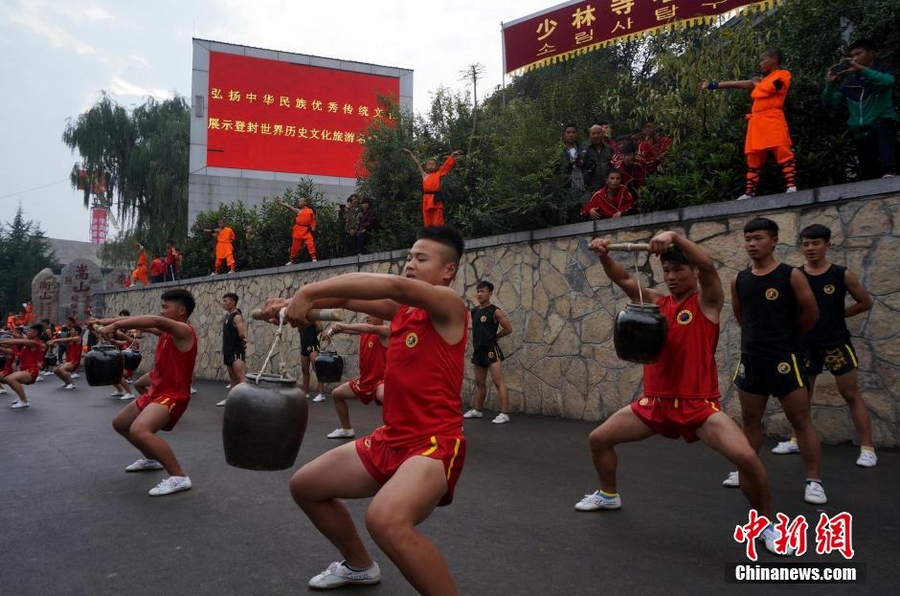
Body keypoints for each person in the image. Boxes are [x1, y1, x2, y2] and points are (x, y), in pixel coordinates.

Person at [259, 225, 468, 593]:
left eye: (421, 258)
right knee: (306, 486)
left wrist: (308, 291)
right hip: (391, 440)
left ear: (448, 270)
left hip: (433, 445)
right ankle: (358, 565)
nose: (410, 264)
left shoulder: (449, 306)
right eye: (408, 257)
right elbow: (349, 301)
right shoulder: (402, 312)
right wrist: (289, 305)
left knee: (385, 520)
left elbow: (392, 287)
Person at [576, 232, 785, 555]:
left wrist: (675, 236)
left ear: (693, 274)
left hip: (697, 406)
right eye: (667, 272)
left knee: (747, 458)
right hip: (654, 403)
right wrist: (604, 255)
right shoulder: (657, 303)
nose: (672, 278)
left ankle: (765, 525)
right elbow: (624, 280)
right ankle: (608, 494)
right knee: (598, 439)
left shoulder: (707, 302)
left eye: (679, 271)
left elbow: (709, 266)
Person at [723, 217, 826, 505]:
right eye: (748, 239)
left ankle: (814, 480)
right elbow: (742, 316)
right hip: (752, 359)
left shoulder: (790, 275)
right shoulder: (739, 279)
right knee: (750, 420)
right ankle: (746, 469)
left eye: (758, 238)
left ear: (774, 240)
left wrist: (787, 340)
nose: (752, 244)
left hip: (785, 358)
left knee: (801, 420)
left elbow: (811, 313)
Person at [771, 224, 877, 467]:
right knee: (802, 397)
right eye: (806, 243)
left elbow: (864, 302)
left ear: (828, 245)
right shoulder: (795, 275)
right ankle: (795, 441)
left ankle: (868, 448)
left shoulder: (841, 274)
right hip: (805, 345)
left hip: (836, 343)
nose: (810, 248)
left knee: (850, 393)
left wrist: (839, 315)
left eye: (816, 243)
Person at [92, 289, 198, 497]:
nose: (162, 311)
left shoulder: (184, 331)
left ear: (181, 311)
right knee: (121, 424)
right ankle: (151, 459)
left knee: (140, 430)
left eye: (166, 307)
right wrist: (104, 322)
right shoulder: (167, 332)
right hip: (156, 392)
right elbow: (139, 321)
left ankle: (179, 477)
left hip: (173, 395)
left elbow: (154, 321)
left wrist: (115, 325)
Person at [701, 48, 798, 200]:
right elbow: (737, 84)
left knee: (782, 150)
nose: (760, 63)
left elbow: (771, 90)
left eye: (763, 59)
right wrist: (713, 85)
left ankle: (791, 185)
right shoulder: (761, 80)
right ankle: (749, 192)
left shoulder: (783, 75)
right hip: (757, 122)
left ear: (774, 60)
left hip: (773, 119)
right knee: (753, 157)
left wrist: (756, 84)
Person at [822, 37, 898, 179]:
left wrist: (862, 69)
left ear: (871, 53)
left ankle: (889, 171)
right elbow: (830, 104)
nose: (855, 58)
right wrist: (830, 85)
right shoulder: (849, 80)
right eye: (852, 56)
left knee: (882, 129)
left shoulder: (883, 68)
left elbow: (888, 81)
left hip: (882, 120)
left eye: (859, 53)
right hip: (861, 128)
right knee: (868, 172)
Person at [320, 316, 390, 439]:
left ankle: (396, 431)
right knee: (337, 394)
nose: (368, 316)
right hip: (364, 382)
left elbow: (367, 328)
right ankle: (346, 429)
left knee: (388, 399)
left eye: (372, 313)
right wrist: (332, 331)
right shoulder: (364, 331)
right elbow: (349, 330)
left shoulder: (385, 331)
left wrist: (343, 326)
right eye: (367, 313)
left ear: (380, 315)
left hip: (380, 382)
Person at [463, 280, 513, 424]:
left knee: (498, 382)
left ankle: (504, 414)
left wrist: (495, 337)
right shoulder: (475, 311)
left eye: (483, 291)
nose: (479, 294)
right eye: (478, 291)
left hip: (492, 350)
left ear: (490, 293)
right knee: (479, 382)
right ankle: (477, 410)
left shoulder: (495, 311)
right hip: (478, 351)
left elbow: (508, 328)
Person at [402, 148, 462, 226]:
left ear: (436, 166)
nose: (431, 165)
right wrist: (410, 154)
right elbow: (417, 164)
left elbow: (446, 166)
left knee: (437, 221)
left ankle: (440, 237)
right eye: (429, 164)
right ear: (426, 167)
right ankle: (430, 237)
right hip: (426, 200)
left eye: (433, 164)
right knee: (428, 222)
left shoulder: (438, 174)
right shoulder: (424, 175)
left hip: (436, 199)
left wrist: (452, 155)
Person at [0, 324, 47, 408]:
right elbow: (11, 341)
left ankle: (24, 401)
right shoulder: (27, 342)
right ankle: (21, 397)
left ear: (35, 333)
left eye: (29, 331)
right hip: (25, 370)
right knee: (6, 379)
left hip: (31, 371)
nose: (27, 332)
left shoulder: (33, 342)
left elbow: (15, 341)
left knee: (10, 379)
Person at [217, 292, 247, 407]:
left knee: (241, 377)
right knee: (233, 379)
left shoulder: (237, 316)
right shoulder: (227, 316)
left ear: (233, 302)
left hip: (236, 351)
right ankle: (232, 400)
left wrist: (243, 340)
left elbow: (242, 333)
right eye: (223, 301)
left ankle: (245, 402)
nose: (223, 303)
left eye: (226, 301)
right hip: (228, 351)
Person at [277, 196, 318, 264]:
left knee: (310, 243)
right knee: (295, 246)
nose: (299, 203)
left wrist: (313, 228)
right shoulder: (299, 211)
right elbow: (289, 207)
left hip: (306, 230)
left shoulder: (309, 211)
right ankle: (292, 260)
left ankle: (314, 258)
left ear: (305, 202)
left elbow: (313, 220)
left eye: (300, 201)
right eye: (299, 201)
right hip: (298, 230)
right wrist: (281, 203)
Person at [582, 123, 617, 193]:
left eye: (598, 133)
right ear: (590, 135)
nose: (596, 135)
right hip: (591, 189)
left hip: (608, 189)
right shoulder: (584, 150)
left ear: (603, 134)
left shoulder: (609, 149)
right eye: (593, 133)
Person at [47, 325, 83, 390]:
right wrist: (55, 342)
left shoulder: (78, 338)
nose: (71, 331)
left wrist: (55, 340)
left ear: (77, 332)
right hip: (68, 360)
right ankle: (66, 382)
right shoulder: (71, 339)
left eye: (72, 330)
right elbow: (64, 341)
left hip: (74, 361)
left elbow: (66, 339)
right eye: (71, 330)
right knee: (56, 370)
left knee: (62, 369)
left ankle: (71, 384)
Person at [299, 322, 327, 402]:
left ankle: (321, 394)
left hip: (313, 345)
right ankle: (305, 392)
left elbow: (320, 327)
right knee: (304, 370)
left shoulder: (311, 315)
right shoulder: (299, 317)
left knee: (317, 369)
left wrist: (314, 334)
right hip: (304, 345)